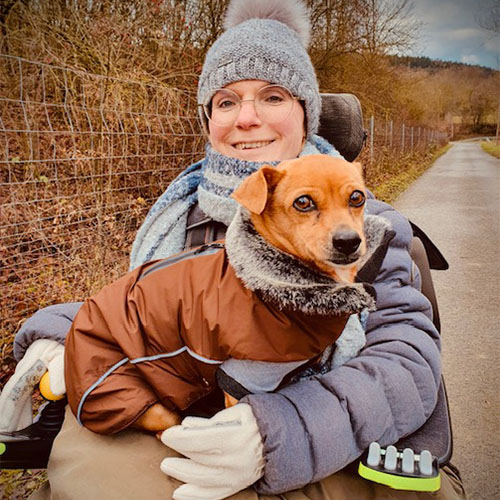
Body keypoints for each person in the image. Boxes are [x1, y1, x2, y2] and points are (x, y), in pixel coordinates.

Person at [8, 1, 466, 499]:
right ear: (208, 119)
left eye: (272, 96)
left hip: (323, 426)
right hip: (183, 413)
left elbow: (408, 358)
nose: (247, 118)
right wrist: (58, 332)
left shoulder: (368, 232)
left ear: (306, 112)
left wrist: (278, 432)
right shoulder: (176, 214)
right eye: (226, 101)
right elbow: (150, 310)